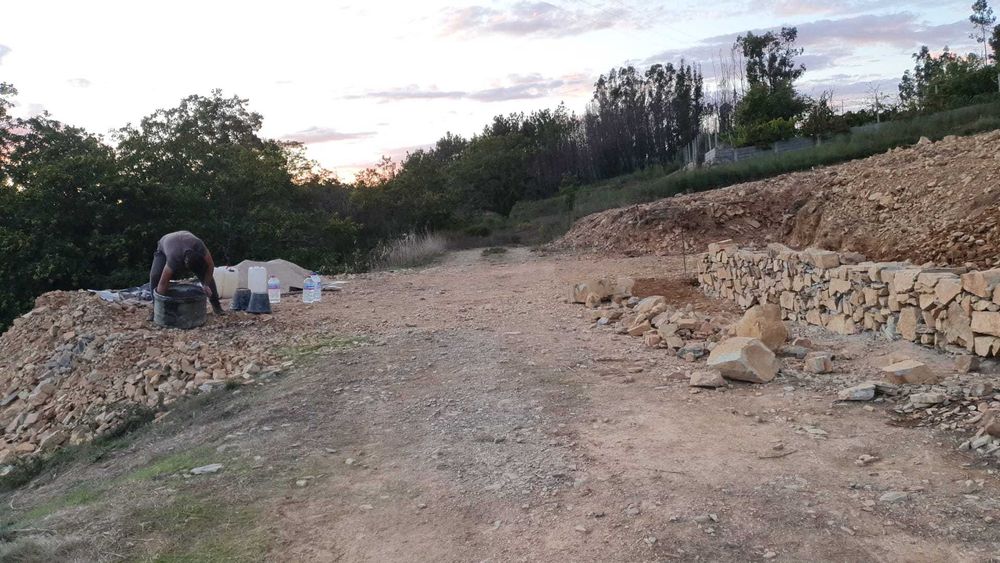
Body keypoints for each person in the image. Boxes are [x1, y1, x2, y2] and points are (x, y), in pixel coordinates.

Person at [149, 231, 224, 315]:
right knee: (155, 275)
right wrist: (160, 306)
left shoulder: (199, 246)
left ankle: (217, 306)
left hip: (185, 239)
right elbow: (163, 283)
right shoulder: (174, 258)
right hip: (164, 244)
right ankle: (155, 309)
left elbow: (211, 265)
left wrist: (206, 284)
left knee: (205, 274)